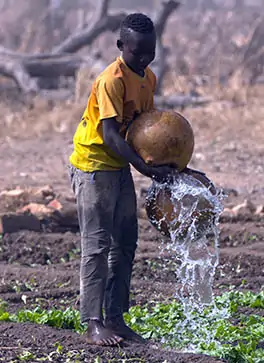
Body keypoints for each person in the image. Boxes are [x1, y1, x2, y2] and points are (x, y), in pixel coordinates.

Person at [68, 13, 175, 346]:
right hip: (95, 165)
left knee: (125, 244)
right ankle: (93, 321)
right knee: (97, 246)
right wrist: (145, 169)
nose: (144, 59)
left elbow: (144, 129)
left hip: (120, 166)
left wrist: (171, 163)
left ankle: (115, 317)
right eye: (137, 52)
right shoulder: (111, 80)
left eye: (149, 51)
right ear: (120, 46)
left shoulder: (149, 78)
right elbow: (112, 136)